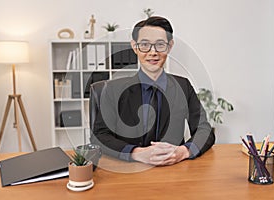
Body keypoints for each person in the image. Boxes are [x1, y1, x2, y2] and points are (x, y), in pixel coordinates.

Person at [91, 16, 215, 166]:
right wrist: (136, 153)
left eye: (160, 45)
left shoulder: (183, 86)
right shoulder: (112, 90)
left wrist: (183, 152)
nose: (153, 52)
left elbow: (204, 129)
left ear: (169, 46)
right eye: (144, 44)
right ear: (134, 47)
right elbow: (99, 135)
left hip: (174, 170)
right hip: (128, 171)